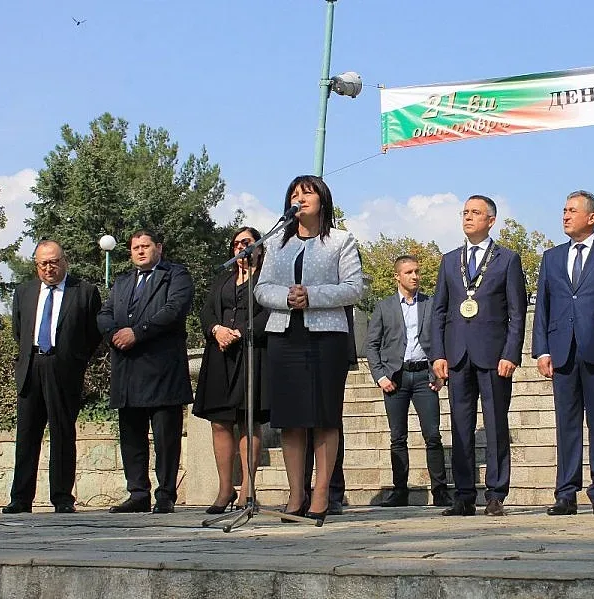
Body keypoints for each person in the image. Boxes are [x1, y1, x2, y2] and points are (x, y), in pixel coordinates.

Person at [255, 175, 363, 525]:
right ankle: (295, 493)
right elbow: (261, 289)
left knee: (324, 416)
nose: (300, 197)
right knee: (290, 419)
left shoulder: (341, 240)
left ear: (322, 199)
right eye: (294, 193)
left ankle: (321, 493)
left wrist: (312, 297)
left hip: (326, 337)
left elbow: (353, 288)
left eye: (308, 191)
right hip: (284, 336)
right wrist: (286, 298)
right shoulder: (276, 243)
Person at [532, 190, 594, 516]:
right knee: (567, 425)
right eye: (563, 209)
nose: (565, 215)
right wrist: (541, 351)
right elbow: (543, 308)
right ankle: (566, 493)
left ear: (592, 217)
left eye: (572, 210)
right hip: (562, 352)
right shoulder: (552, 257)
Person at [431, 195, 527, 517]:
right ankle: (463, 495)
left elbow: (517, 311)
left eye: (475, 213)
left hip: (493, 355)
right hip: (457, 354)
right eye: (465, 212)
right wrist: (438, 354)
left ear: (490, 220)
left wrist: (511, 352)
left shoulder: (507, 259)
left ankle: (496, 494)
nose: (468, 217)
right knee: (460, 425)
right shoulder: (449, 260)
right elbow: (439, 311)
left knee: (496, 423)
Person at [97, 229, 194, 514]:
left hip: (162, 368)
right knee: (131, 435)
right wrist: (114, 333)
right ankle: (138, 492)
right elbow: (104, 313)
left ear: (158, 248)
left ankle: (165, 494)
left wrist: (137, 333)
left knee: (166, 437)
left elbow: (174, 310)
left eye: (146, 246)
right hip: (127, 369)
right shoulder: (123, 281)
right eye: (135, 247)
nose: (140, 251)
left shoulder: (175, 275)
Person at [4, 240, 102, 514]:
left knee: (62, 433)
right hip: (31, 366)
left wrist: (75, 360)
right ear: (36, 265)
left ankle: (61, 497)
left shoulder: (84, 292)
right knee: (26, 435)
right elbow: (18, 331)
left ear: (64, 261)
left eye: (53, 262)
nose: (48, 268)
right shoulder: (23, 292)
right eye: (42, 263)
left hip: (64, 368)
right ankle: (21, 498)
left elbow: (93, 334)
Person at [193, 227, 269, 514]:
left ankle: (248, 489)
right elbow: (207, 311)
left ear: (259, 248)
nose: (241, 248)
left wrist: (239, 332)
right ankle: (225, 488)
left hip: (251, 353)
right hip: (220, 354)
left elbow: (268, 313)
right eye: (236, 243)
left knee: (248, 420)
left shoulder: (265, 279)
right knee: (220, 421)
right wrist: (216, 330)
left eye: (247, 243)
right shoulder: (222, 280)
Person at [365, 255, 452, 508]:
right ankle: (399, 491)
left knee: (433, 435)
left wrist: (440, 374)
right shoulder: (384, 307)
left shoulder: (431, 303)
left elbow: (442, 338)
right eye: (409, 272)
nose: (415, 276)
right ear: (397, 276)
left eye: (417, 271)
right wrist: (380, 376)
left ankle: (440, 491)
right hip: (396, 377)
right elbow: (371, 345)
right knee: (398, 437)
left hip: (425, 376)